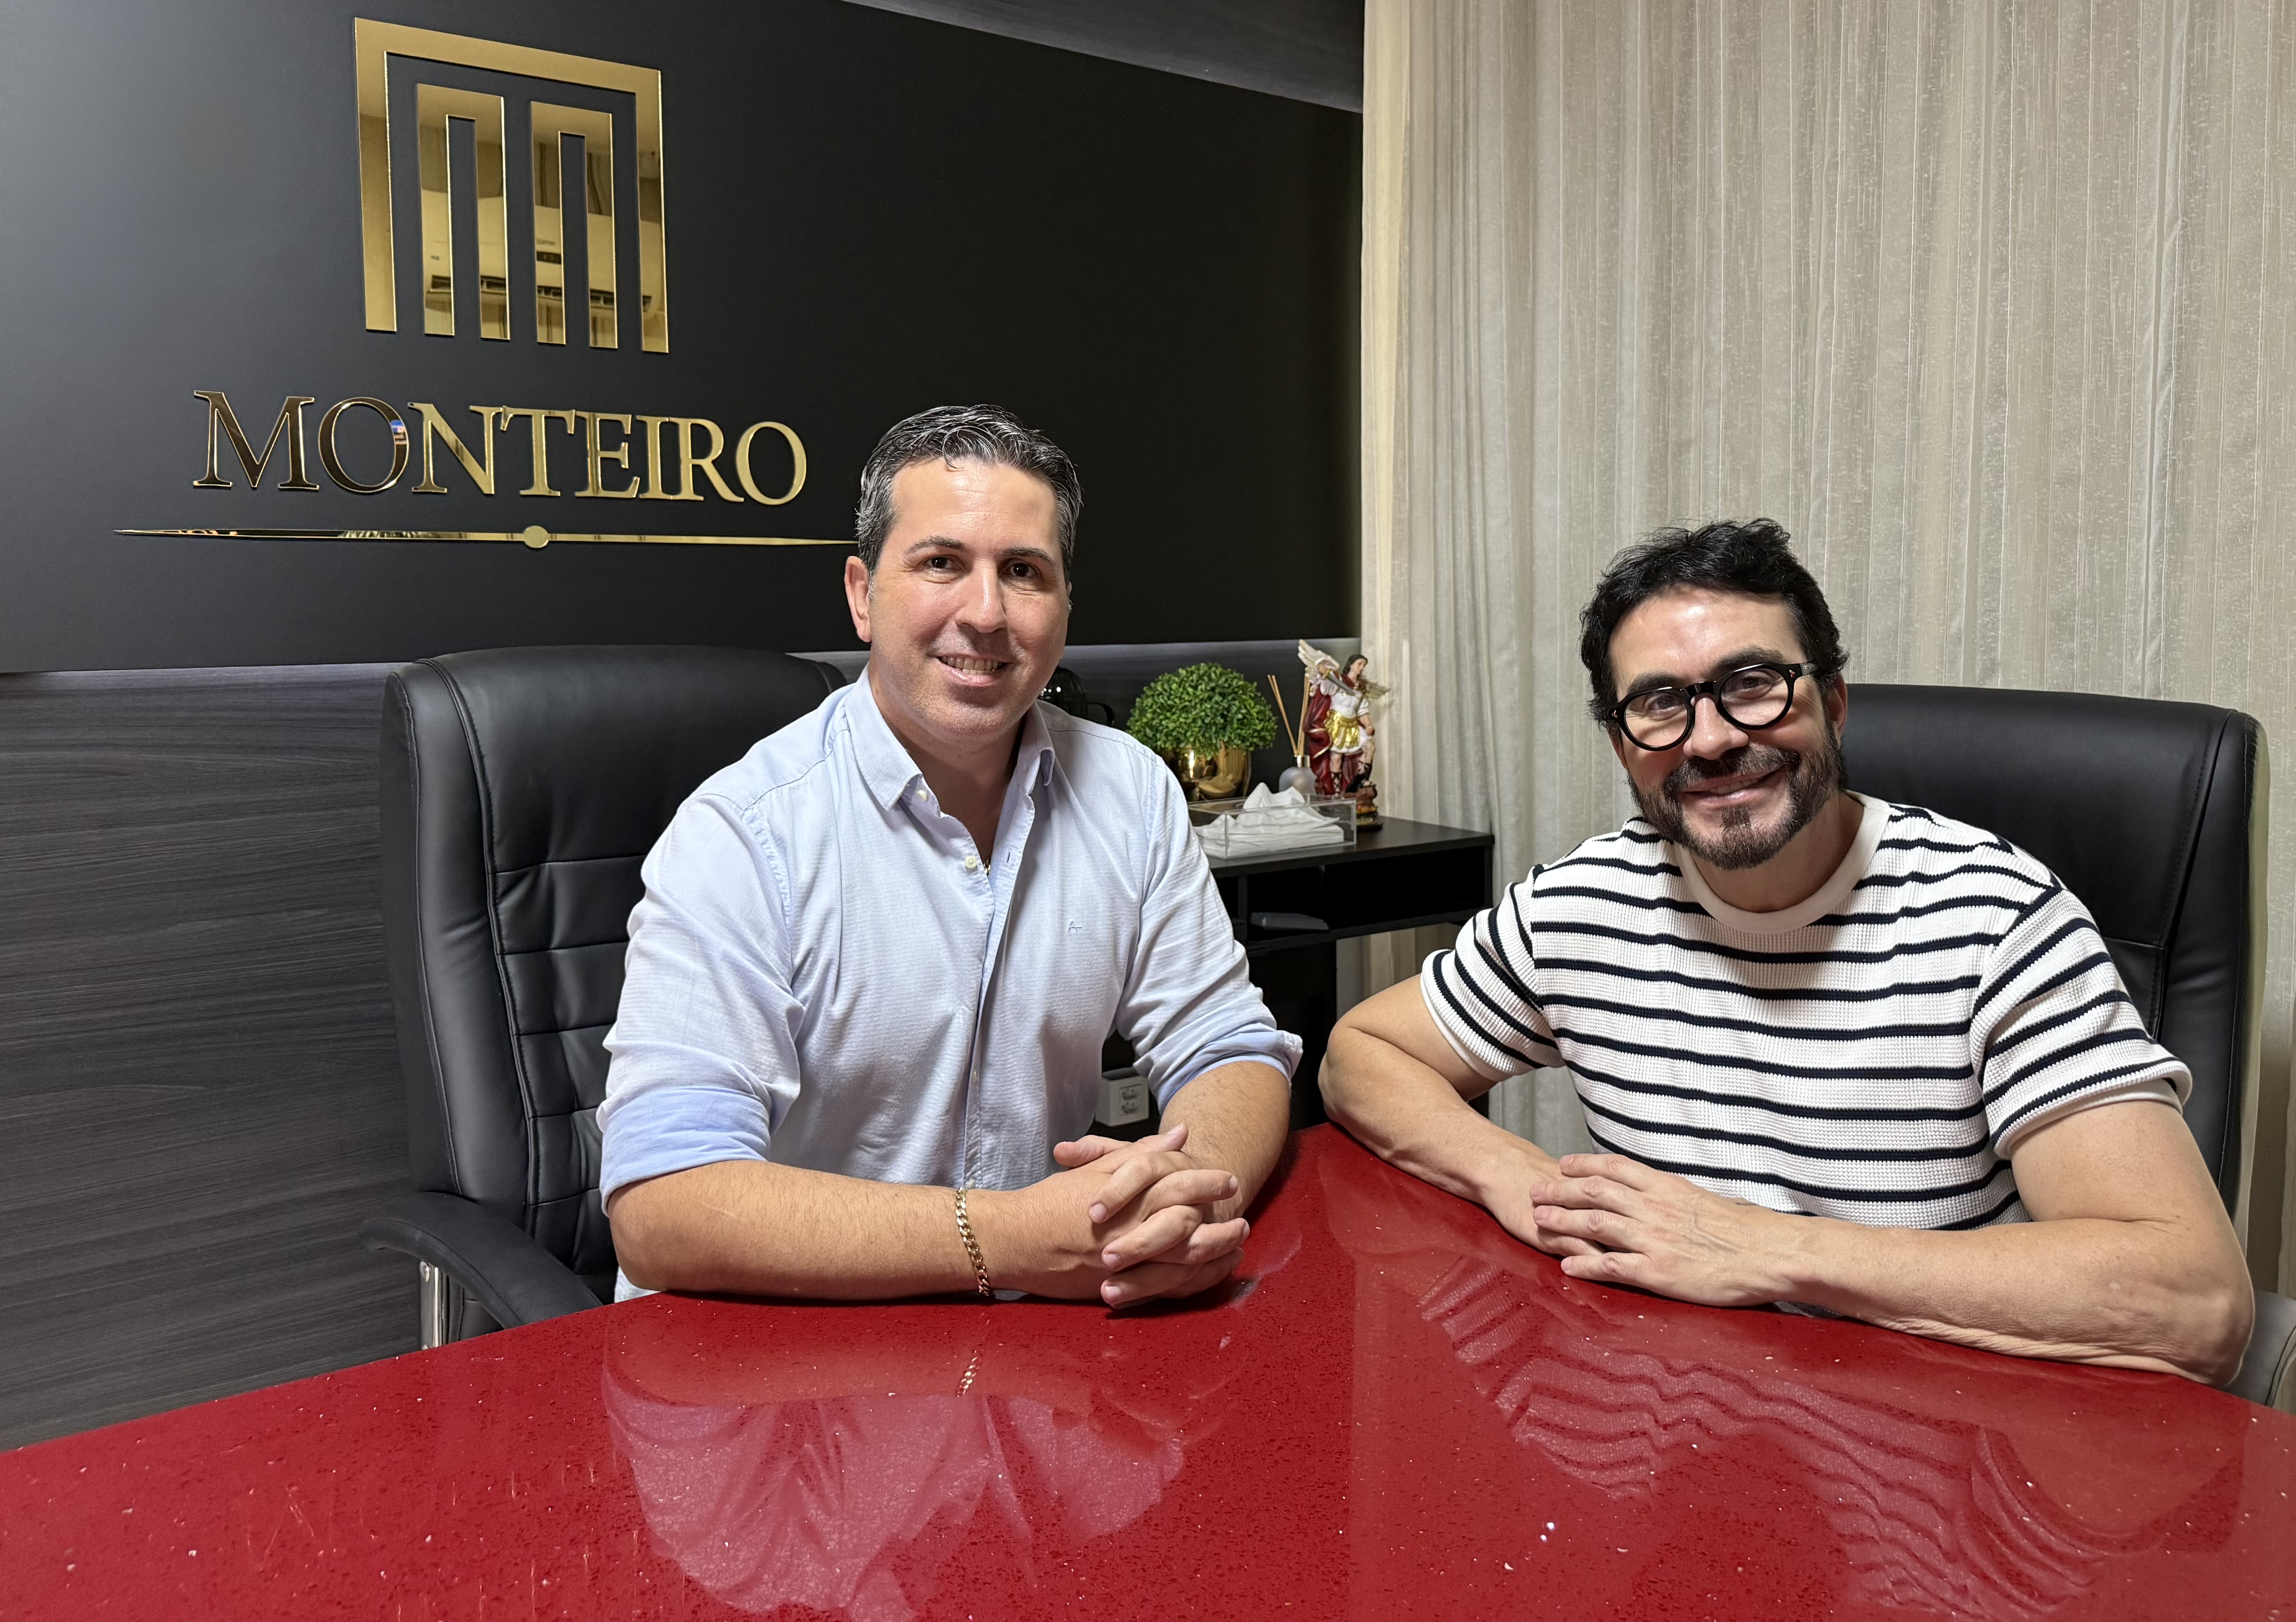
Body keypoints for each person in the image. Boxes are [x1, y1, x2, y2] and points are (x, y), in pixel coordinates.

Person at [1321, 519, 2255, 1385]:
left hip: (1923, 1436)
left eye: (1752, 683)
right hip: (1666, 1418)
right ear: (1621, 746)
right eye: (1659, 703)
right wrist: (1520, 1181)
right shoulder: (1580, 903)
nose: (1713, 739)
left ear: (1833, 703)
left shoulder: (1994, 917)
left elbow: (2193, 1297)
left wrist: (1764, 1249)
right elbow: (1360, 1055)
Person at [600, 404, 1297, 1308]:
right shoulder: (744, 832)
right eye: (941, 563)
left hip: (1039, 1341)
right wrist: (1010, 1239)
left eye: (1024, 572)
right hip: (776, 1356)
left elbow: (1229, 1045)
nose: (986, 612)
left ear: (1065, 605)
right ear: (862, 595)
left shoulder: (1131, 792)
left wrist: (1180, 1204)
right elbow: (663, 1201)